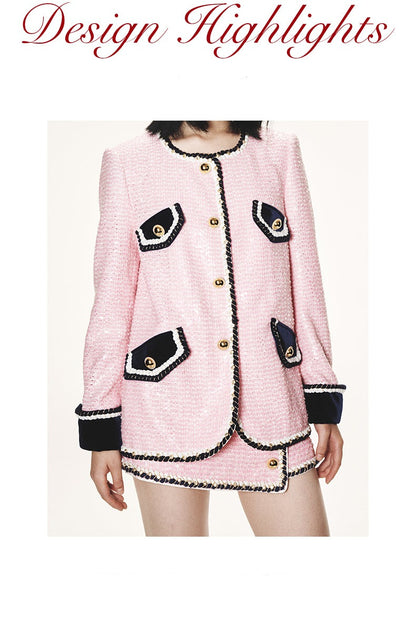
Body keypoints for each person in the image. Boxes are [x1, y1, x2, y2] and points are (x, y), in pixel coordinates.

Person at [75, 120, 346, 536]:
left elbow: (306, 283)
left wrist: (321, 397)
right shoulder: (128, 161)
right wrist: (101, 429)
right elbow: (112, 303)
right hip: (163, 410)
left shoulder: (279, 151)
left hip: (272, 404)